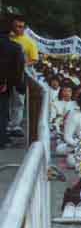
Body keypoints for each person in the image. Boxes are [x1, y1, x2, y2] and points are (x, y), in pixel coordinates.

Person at [9, 15, 38, 136]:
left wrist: (22, 64)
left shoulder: (30, 42)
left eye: (21, 26)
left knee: (18, 101)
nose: (18, 29)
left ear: (24, 28)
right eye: (16, 26)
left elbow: (34, 59)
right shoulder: (7, 38)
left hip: (20, 75)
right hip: (5, 75)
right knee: (7, 101)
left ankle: (14, 125)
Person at [0, 16, 25, 149]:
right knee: (2, 111)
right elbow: (18, 69)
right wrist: (19, 85)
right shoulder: (15, 47)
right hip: (4, 86)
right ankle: (2, 139)